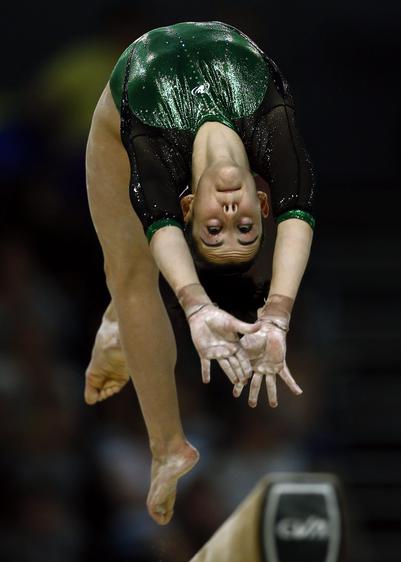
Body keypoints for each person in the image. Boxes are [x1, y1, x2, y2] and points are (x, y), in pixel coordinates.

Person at [84, 21, 315, 525]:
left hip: (123, 114)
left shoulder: (157, 154)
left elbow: (161, 230)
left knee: (127, 273)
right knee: (136, 272)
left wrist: (194, 304)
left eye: (215, 229)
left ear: (188, 208)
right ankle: (117, 324)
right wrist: (275, 315)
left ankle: (167, 446)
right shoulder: (271, 124)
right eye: (246, 228)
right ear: (260, 201)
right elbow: (298, 215)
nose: (231, 217)